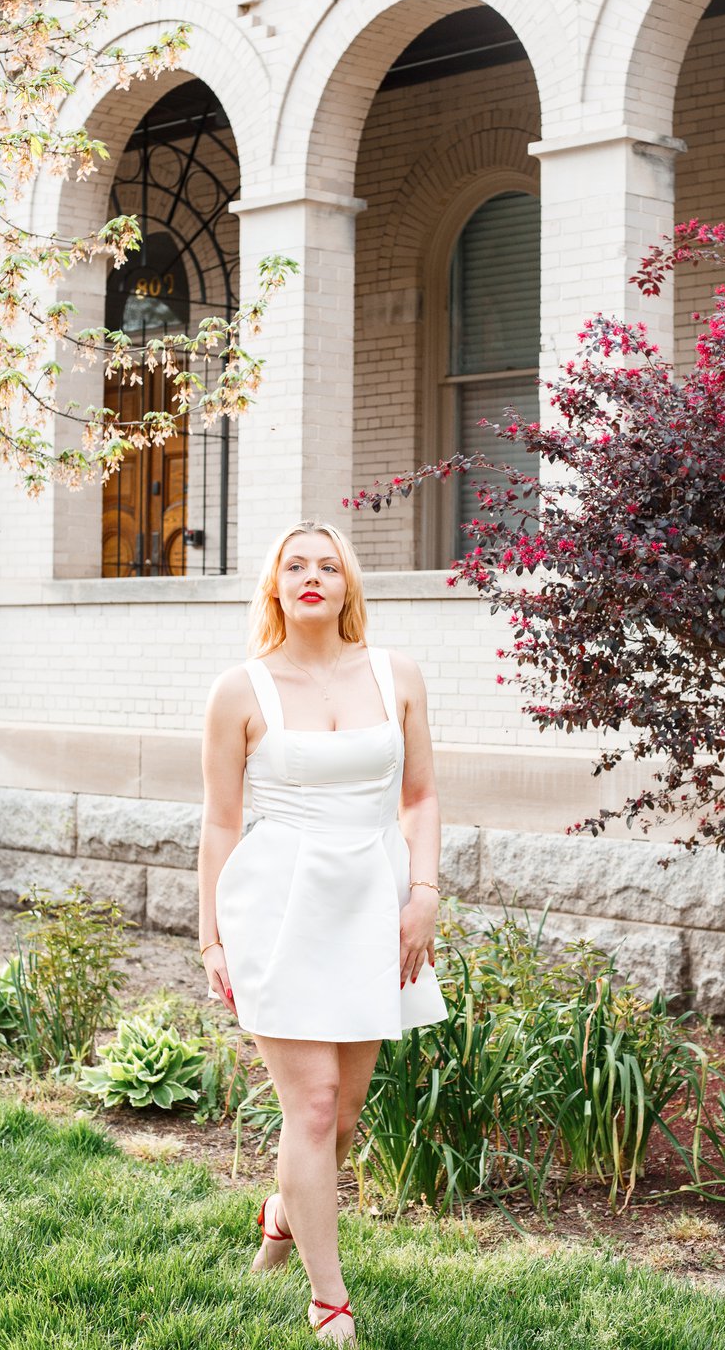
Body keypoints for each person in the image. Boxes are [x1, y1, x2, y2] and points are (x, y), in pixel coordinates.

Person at [197, 519, 448, 1344]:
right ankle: (328, 1302)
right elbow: (220, 824)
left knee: (341, 1118)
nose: (312, 576)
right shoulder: (241, 689)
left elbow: (419, 798)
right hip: (275, 907)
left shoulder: (396, 674)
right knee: (309, 1105)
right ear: (274, 585)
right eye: (295, 565)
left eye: (328, 566)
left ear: (348, 586)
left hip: (374, 907)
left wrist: (423, 894)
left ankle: (280, 1212)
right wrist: (211, 938)